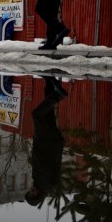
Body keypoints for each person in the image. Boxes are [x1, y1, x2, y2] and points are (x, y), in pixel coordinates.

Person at [25, 76, 68, 207]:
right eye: (33, 194)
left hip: (49, 142)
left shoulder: (40, 183)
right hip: (48, 142)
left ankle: (50, 83)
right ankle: (57, 95)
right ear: (38, 195)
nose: (31, 191)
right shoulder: (45, 184)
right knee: (37, 115)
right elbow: (45, 164)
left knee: (46, 112)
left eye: (29, 193)